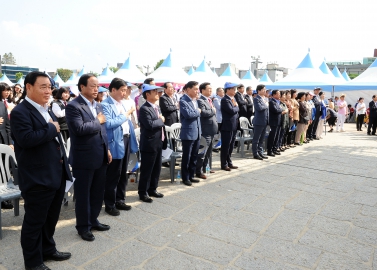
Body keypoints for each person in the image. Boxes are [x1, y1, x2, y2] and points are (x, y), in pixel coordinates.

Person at [10, 71, 72, 270]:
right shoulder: (21, 111)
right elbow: (26, 139)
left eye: (49, 87)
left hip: (56, 172)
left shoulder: (47, 108)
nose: (48, 91)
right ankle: (33, 262)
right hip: (38, 176)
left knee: (51, 217)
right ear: (29, 87)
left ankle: (48, 249)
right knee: (34, 222)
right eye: (43, 86)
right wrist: (52, 129)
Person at [66, 74, 112, 242]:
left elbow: (103, 130)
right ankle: (83, 227)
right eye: (92, 86)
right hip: (84, 158)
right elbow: (79, 129)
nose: (96, 89)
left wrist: (106, 149)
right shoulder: (73, 106)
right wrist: (97, 121)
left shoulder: (98, 105)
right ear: (82, 87)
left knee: (97, 192)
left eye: (97, 86)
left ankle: (93, 220)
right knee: (83, 194)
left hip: (100, 155)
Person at [102, 78, 134, 216]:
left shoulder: (124, 104)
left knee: (123, 173)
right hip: (115, 142)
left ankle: (120, 199)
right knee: (113, 174)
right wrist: (125, 116)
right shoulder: (105, 105)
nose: (124, 93)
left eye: (125, 90)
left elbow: (129, 124)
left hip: (126, 139)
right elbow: (108, 124)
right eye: (122, 90)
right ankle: (109, 204)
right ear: (113, 90)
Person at [138, 84, 167, 201]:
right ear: (147, 94)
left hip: (159, 141)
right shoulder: (144, 108)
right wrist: (161, 120)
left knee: (156, 168)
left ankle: (153, 189)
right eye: (154, 91)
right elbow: (150, 125)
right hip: (149, 143)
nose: (157, 93)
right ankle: (143, 192)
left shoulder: (156, 107)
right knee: (147, 169)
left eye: (157, 91)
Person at [179, 81, 202, 185]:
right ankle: (185, 177)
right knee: (187, 157)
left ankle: (191, 175)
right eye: (195, 89)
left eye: (198, 89)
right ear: (188, 89)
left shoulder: (194, 100)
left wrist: (196, 111)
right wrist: (198, 111)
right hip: (188, 133)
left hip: (196, 131)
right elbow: (188, 114)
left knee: (194, 155)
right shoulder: (183, 100)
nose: (197, 91)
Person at [195, 82, 217, 179]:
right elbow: (203, 113)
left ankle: (206, 167)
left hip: (211, 130)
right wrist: (213, 110)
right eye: (209, 89)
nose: (211, 91)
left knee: (209, 151)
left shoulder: (209, 100)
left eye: (211, 89)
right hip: (205, 130)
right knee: (202, 151)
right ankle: (198, 171)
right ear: (203, 90)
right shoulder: (200, 100)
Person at [0, 82, 14, 210]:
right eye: (5, 90)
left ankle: (5, 199)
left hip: (3, 139)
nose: (8, 92)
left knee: (4, 169)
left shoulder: (3, 104)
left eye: (9, 90)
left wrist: (10, 142)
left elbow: (8, 125)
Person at [220, 82, 239, 170]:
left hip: (234, 125)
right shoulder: (225, 100)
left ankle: (229, 162)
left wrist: (236, 106)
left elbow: (236, 110)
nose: (235, 90)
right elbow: (232, 110)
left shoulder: (233, 98)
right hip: (227, 126)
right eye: (233, 89)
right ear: (228, 90)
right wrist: (236, 106)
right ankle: (224, 164)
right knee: (226, 146)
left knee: (231, 145)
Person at [252, 84, 269, 160]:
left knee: (262, 138)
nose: (265, 91)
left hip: (265, 121)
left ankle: (260, 152)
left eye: (265, 89)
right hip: (258, 121)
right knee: (256, 139)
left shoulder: (265, 98)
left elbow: (267, 111)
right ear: (259, 91)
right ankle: (255, 153)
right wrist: (266, 105)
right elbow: (259, 108)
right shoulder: (256, 98)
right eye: (263, 89)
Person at [267, 90, 286, 156]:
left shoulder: (277, 102)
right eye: (278, 94)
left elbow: (279, 110)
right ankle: (270, 150)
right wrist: (281, 109)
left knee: (277, 136)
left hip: (279, 121)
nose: (279, 95)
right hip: (274, 122)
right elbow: (276, 110)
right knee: (272, 137)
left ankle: (274, 149)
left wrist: (280, 109)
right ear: (274, 95)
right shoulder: (271, 101)